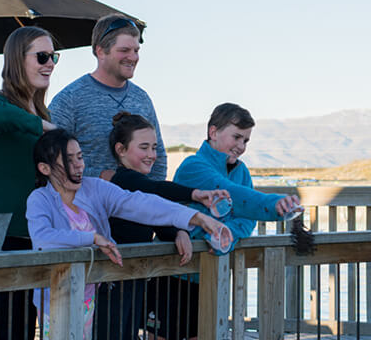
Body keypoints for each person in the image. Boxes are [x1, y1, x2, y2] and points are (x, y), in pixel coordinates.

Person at [26, 129, 231, 339]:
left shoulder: (95, 188)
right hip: (55, 300)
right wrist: (92, 238)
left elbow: (140, 202)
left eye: (80, 157)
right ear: (45, 168)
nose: (79, 165)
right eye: (69, 160)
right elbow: (43, 238)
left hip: (93, 297)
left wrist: (197, 217)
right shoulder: (39, 199)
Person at [0, 26, 59, 339]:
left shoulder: (43, 112)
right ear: (17, 59)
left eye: (53, 57)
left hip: (33, 229)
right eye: (42, 56)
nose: (50, 64)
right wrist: (42, 125)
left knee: (22, 327)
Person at [108, 111, 230, 340]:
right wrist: (196, 194)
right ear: (121, 149)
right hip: (111, 280)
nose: (151, 155)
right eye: (143, 148)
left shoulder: (140, 185)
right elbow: (157, 191)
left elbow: (155, 215)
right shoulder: (123, 181)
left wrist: (177, 232)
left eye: (154, 148)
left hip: (134, 278)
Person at [49, 14, 167, 181]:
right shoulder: (69, 100)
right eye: (124, 50)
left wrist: (153, 198)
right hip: (86, 205)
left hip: (137, 204)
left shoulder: (142, 99)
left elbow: (159, 158)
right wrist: (102, 176)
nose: (133, 57)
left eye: (136, 51)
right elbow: (52, 159)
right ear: (100, 51)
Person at [174, 102, 300, 251]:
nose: (241, 146)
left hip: (220, 270)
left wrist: (224, 235)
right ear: (213, 133)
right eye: (236, 137)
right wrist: (274, 204)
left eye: (245, 141)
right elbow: (231, 194)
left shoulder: (241, 171)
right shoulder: (193, 166)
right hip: (178, 267)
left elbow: (249, 218)